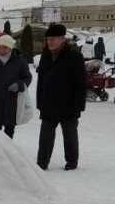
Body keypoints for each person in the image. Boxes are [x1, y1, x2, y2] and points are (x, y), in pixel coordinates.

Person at [35, 23, 86, 171]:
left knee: (69, 135)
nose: (50, 41)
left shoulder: (74, 56)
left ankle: (72, 162)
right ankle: (42, 163)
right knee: (45, 135)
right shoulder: (45, 57)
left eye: (54, 38)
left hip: (68, 103)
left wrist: (78, 105)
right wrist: (40, 102)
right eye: (48, 38)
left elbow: (81, 83)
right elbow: (41, 82)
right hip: (49, 103)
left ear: (62, 39)